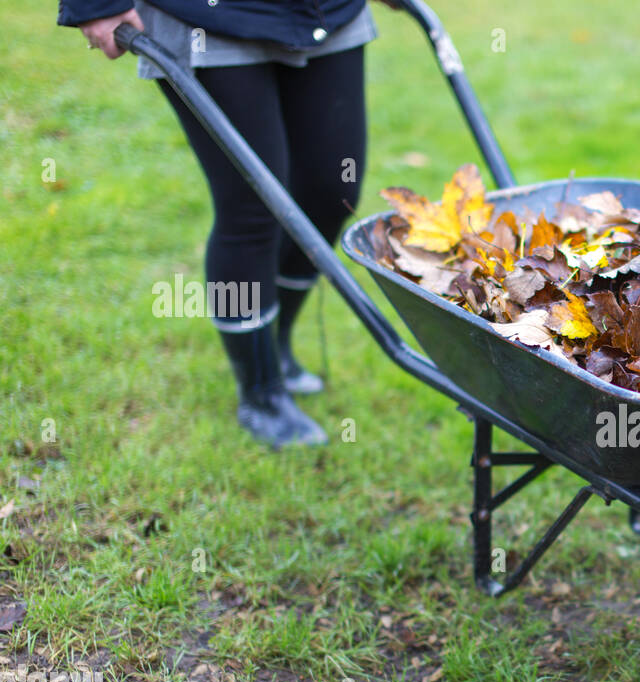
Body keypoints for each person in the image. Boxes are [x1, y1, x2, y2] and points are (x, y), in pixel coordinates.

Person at [59, 1, 395, 448]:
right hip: (209, 19)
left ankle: (276, 343)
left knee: (331, 192)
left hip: (327, 12)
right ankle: (260, 391)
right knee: (252, 207)